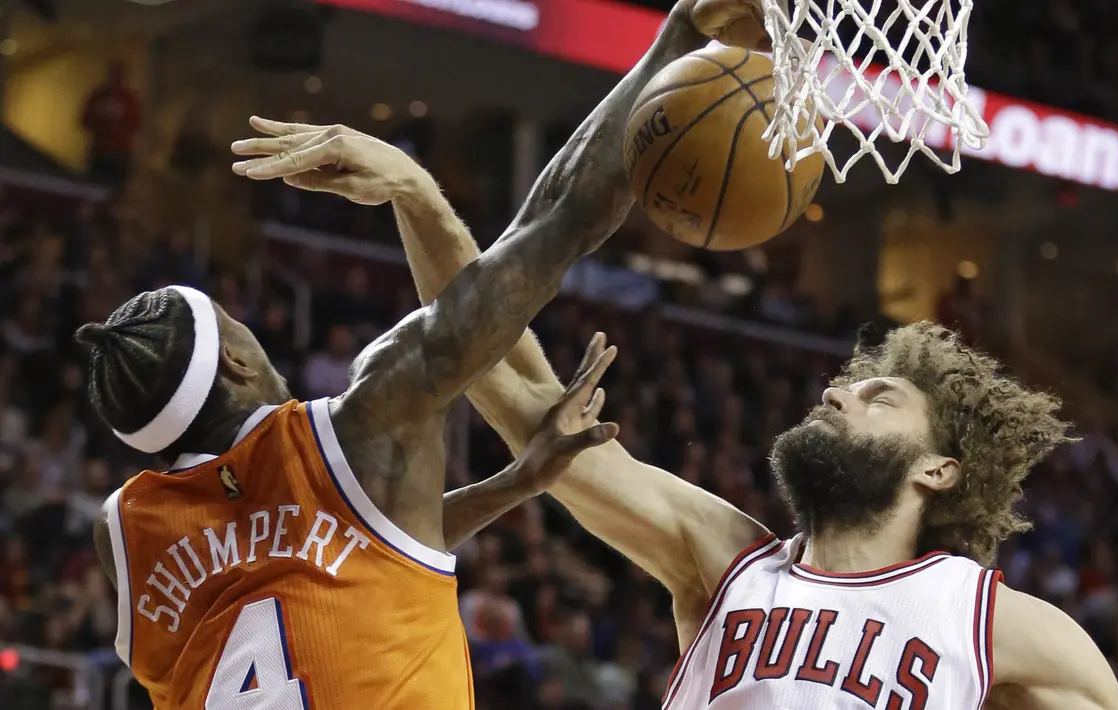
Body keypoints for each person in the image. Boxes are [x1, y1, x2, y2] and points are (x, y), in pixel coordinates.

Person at [257, 59, 1118, 710]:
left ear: (939, 471)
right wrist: (416, 194)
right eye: (844, 385)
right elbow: (502, 375)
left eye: (880, 397)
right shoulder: (724, 558)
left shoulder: (990, 622)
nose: (835, 394)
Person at [81, 0, 755, 706]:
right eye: (234, 323)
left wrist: (514, 484)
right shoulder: (368, 422)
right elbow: (563, 215)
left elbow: (322, 551)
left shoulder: (124, 535)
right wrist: (676, 44)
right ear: (236, 363)